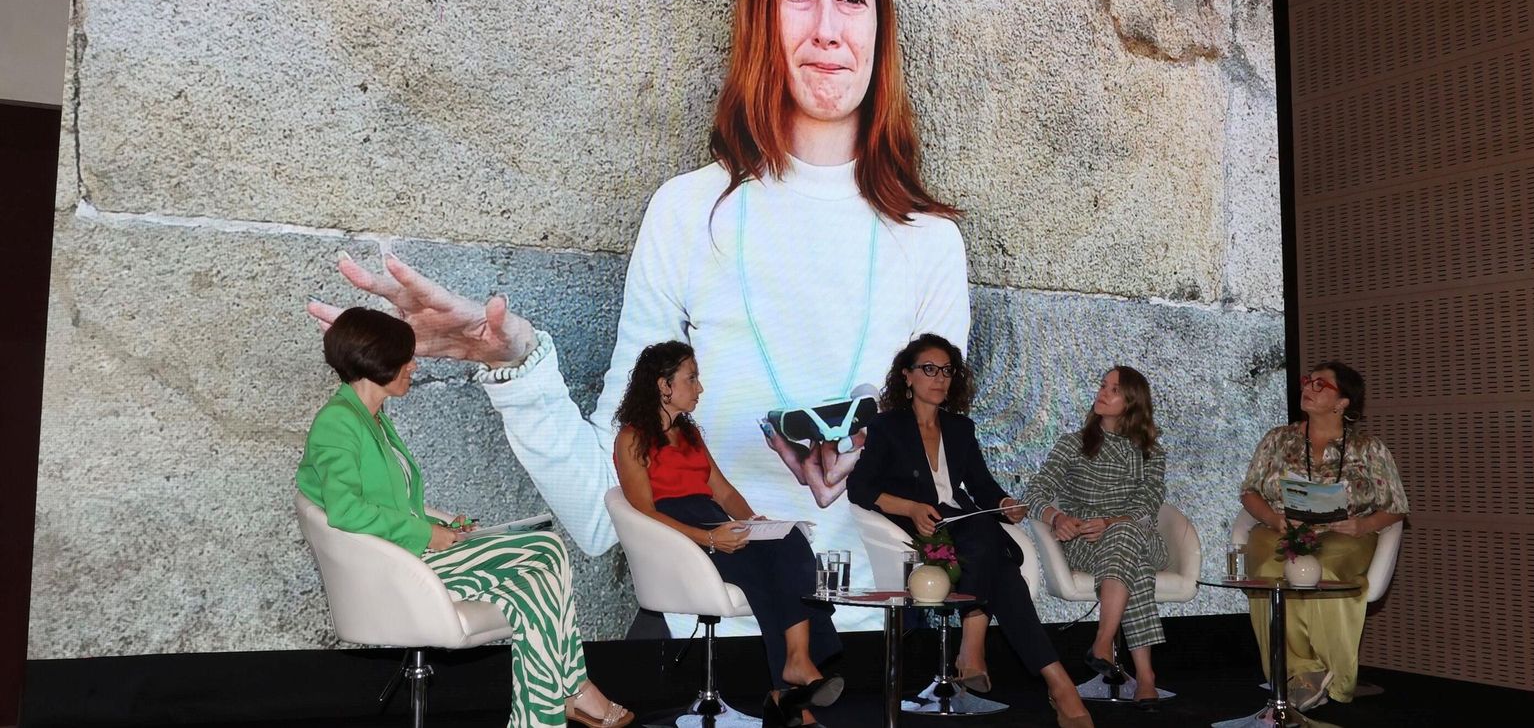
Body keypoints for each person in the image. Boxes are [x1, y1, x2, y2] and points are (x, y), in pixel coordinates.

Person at [308, 0, 970, 637]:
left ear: (880, 25)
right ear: (760, 15)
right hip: (703, 644)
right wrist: (515, 364)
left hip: (883, 644)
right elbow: (602, 513)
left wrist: (878, 461)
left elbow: (943, 492)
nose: (826, 28)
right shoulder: (688, 213)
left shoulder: (929, 242)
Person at [295, 308, 631, 728]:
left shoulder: (371, 418)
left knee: (536, 581)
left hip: (410, 551)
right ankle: (571, 693)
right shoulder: (337, 423)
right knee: (543, 555)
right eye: (405, 357)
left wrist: (448, 527)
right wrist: (426, 533)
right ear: (374, 360)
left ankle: (550, 710)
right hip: (397, 568)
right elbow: (346, 511)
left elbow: (389, 501)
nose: (414, 365)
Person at [846, 334, 1094, 728]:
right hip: (914, 527)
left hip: (961, 526)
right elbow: (859, 488)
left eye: (947, 370)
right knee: (989, 545)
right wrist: (910, 508)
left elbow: (982, 487)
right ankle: (1050, 681)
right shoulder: (887, 426)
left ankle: (1043, 677)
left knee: (991, 545)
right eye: (929, 369)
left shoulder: (960, 427)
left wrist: (1004, 504)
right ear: (907, 377)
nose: (939, 378)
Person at [612, 341, 842, 728]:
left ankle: (797, 663)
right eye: (692, 378)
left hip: (712, 521)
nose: (699, 388)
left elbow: (722, 491)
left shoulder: (690, 434)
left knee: (791, 540)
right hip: (678, 538)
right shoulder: (632, 439)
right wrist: (711, 539)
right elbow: (645, 513)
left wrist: (754, 522)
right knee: (759, 568)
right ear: (663, 385)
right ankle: (790, 692)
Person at [1238, 361, 1408, 712]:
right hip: (1280, 529)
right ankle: (1297, 673)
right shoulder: (1277, 439)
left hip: (1345, 533)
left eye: (1321, 385)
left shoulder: (1368, 448)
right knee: (1270, 567)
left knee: (1324, 566)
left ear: (1343, 402)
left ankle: (1328, 670)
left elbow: (1396, 507)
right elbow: (1250, 492)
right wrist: (1273, 517)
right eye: (1307, 382)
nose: (1309, 388)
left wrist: (1362, 526)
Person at [1022, 366, 1168, 708]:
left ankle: (1103, 640)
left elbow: (1149, 504)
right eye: (1103, 385)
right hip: (1085, 545)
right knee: (1135, 567)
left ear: (1132, 402)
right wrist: (1056, 517)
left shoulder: (1152, 452)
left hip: (1141, 536)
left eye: (1113, 389)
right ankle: (1146, 676)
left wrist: (1110, 521)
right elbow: (1034, 493)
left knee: (1125, 533)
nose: (1102, 392)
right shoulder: (1073, 444)